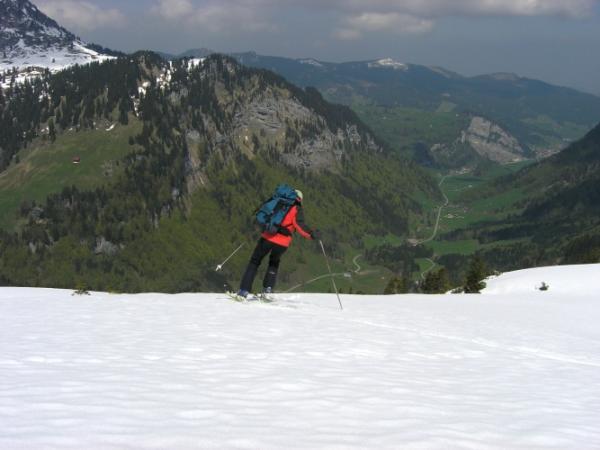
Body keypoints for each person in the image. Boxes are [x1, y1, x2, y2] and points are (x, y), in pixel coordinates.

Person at [237, 189, 319, 298]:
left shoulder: (279, 202)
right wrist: (312, 235)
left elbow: (266, 215)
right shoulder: (296, 209)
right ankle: (267, 290)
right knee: (274, 263)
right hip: (282, 243)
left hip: (268, 237)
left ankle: (244, 290)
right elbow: (300, 226)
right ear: (300, 199)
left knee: (255, 261)